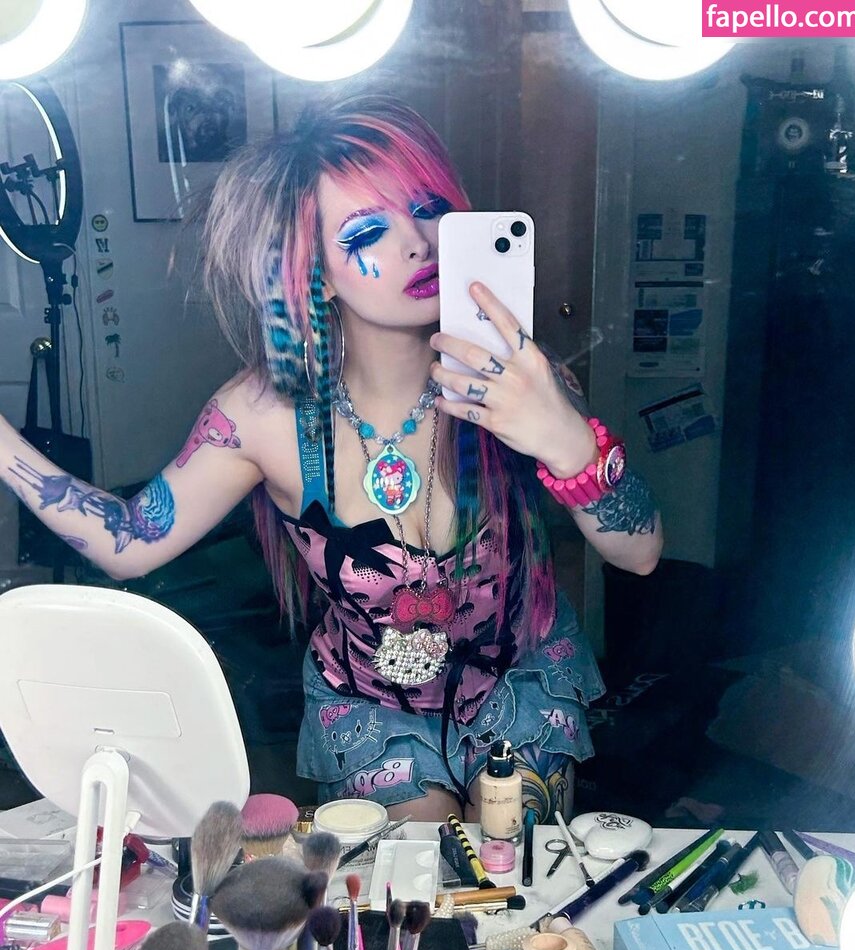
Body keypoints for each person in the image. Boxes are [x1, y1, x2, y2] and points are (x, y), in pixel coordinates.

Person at [0, 94, 662, 823]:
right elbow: (128, 541)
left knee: (512, 866)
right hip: (371, 704)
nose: (418, 243)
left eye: (430, 209)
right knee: (417, 875)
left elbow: (639, 556)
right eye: (369, 231)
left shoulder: (522, 379)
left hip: (522, 679)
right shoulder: (262, 414)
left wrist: (563, 438)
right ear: (314, 267)